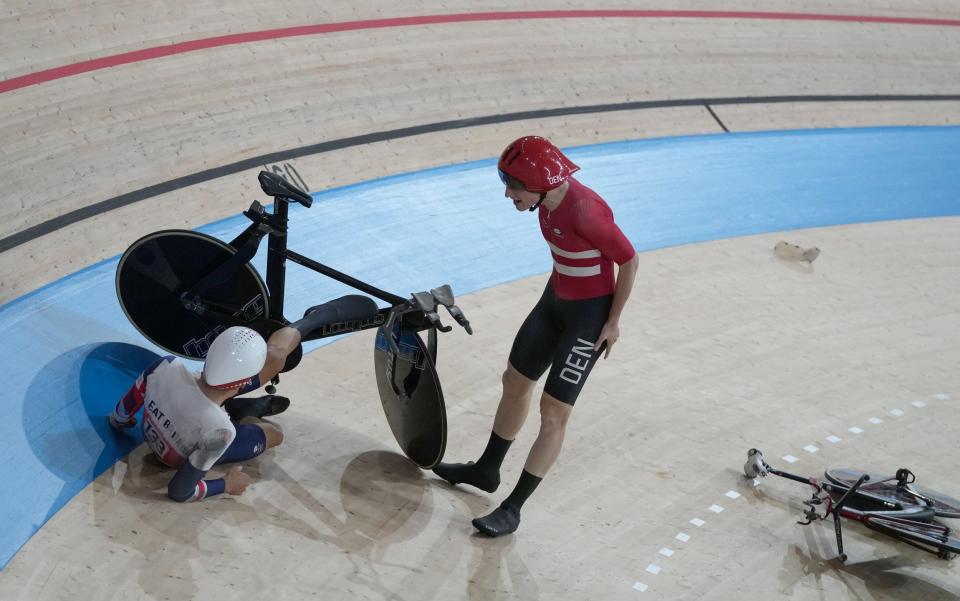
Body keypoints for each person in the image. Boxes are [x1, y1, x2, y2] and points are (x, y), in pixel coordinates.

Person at [434, 135, 639, 536]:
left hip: (589, 318)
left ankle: (513, 508)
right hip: (555, 302)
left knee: (553, 412)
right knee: (514, 381)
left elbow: (629, 261)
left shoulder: (585, 212)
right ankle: (486, 469)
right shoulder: (545, 200)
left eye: (513, 186)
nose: (508, 194)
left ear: (540, 183)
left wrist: (612, 323)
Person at [109, 305, 339, 502]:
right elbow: (180, 492)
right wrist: (225, 485)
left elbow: (120, 414)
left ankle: (309, 321)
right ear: (243, 385)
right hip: (203, 433)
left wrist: (120, 422)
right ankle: (247, 411)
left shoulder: (165, 366)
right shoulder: (220, 431)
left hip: (196, 412)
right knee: (274, 434)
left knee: (272, 360)